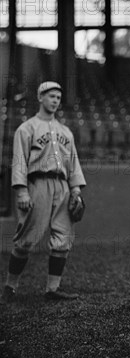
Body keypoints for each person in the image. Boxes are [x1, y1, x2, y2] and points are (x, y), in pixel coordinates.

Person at [0, 81, 86, 305]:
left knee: (63, 239)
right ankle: (10, 287)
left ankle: (52, 288)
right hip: (37, 184)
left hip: (63, 186)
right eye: (51, 96)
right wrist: (21, 192)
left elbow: (73, 162)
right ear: (40, 98)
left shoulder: (65, 131)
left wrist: (76, 190)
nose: (55, 100)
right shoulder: (26, 128)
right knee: (26, 239)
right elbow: (19, 161)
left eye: (58, 97)